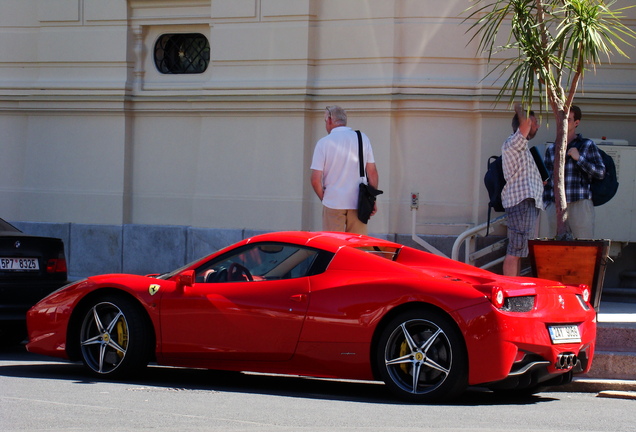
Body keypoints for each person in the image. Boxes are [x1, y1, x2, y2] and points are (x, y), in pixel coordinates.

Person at [310, 105, 379, 235]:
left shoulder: (323, 143)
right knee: (357, 248)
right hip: (358, 203)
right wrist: (372, 200)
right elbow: (372, 173)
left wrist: (324, 199)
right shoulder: (362, 138)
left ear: (330, 120)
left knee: (333, 246)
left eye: (325, 122)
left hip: (333, 202)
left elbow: (315, 180)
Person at [543, 105, 605, 239]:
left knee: (583, 245)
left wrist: (580, 159)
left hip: (580, 203)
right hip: (556, 205)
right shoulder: (552, 149)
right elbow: (546, 179)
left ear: (577, 123)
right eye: (561, 119)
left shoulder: (587, 145)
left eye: (568, 120)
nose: (563, 123)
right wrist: (547, 205)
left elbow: (600, 172)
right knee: (555, 246)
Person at [501, 104, 544, 277]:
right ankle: (508, 291)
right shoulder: (515, 142)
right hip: (522, 203)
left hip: (525, 203)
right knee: (515, 251)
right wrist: (519, 108)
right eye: (534, 122)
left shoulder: (520, 147)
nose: (537, 126)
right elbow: (525, 123)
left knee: (518, 251)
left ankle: (513, 290)